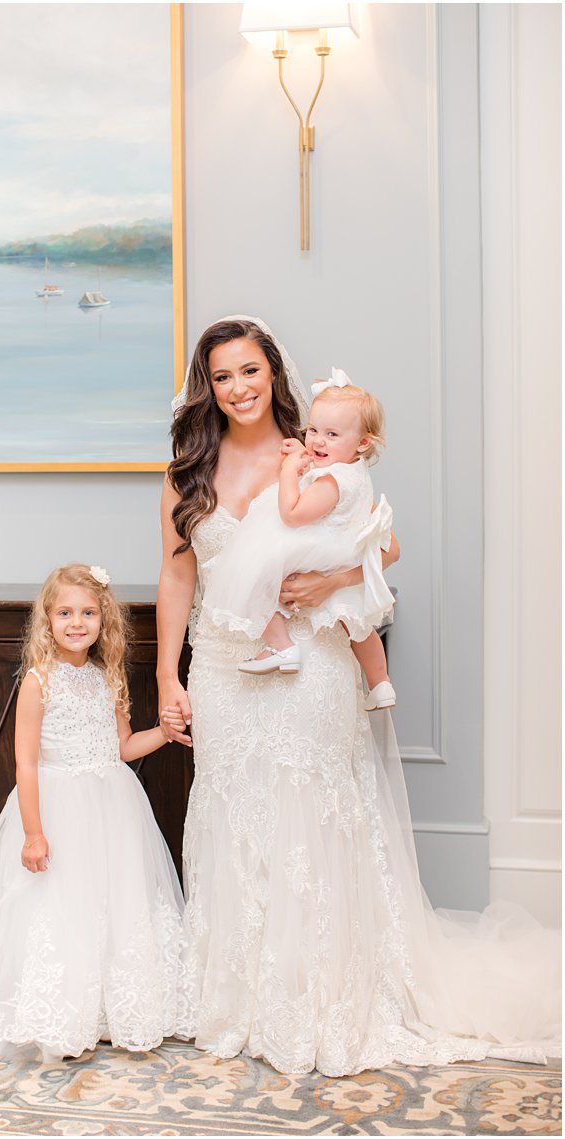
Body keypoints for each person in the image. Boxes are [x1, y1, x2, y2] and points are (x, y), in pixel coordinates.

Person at [157, 315, 560, 1076]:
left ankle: (324, 995)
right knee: (233, 809)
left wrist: (332, 579)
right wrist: (165, 674)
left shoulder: (316, 449)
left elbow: (384, 542)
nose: (239, 387)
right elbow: (179, 573)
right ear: (205, 386)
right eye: (222, 375)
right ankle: (243, 1000)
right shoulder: (188, 471)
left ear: (273, 372)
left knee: (313, 808)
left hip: (311, 660)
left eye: (250, 370)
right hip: (220, 662)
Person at [0, 564, 190, 1060]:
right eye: (65, 613)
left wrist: (162, 733)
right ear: (47, 620)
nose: (77, 623)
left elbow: (121, 747)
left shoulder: (106, 676)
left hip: (113, 807)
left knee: (114, 905)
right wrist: (33, 834)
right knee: (63, 908)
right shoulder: (38, 681)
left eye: (89, 613)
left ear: (104, 620)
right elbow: (25, 763)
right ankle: (63, 1012)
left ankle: (110, 1008)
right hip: (57, 809)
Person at [198, 369, 396, 708]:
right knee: (358, 623)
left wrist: (289, 471)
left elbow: (293, 514)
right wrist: (302, 454)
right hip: (343, 547)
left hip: (319, 550)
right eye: (313, 430)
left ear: (362, 442)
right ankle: (381, 682)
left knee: (258, 575)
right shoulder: (350, 470)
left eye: (331, 434)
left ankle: (281, 645)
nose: (317, 441)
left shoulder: (332, 479)